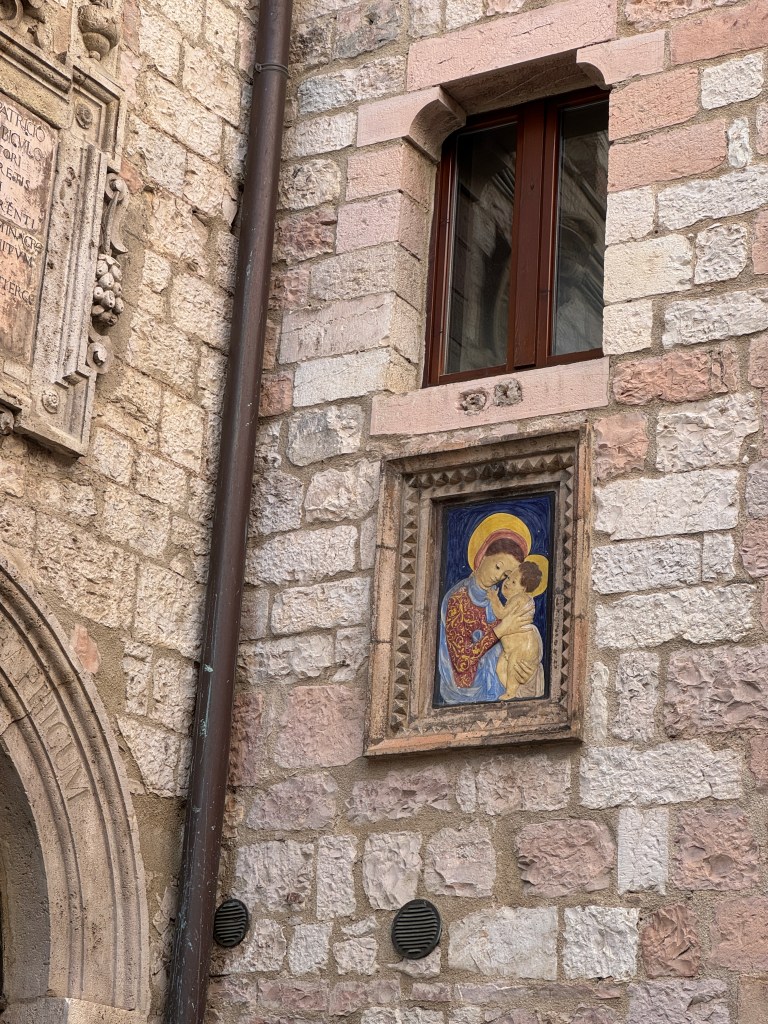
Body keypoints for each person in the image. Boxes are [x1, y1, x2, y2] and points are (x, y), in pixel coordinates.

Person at [487, 561, 545, 700]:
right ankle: (512, 691)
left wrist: (494, 598)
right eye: (508, 578)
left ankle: (511, 692)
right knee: (500, 669)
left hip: (521, 647)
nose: (507, 582)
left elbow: (501, 613)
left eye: (513, 582)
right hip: (512, 648)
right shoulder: (520, 599)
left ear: (523, 588)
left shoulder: (519, 599)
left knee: (513, 669)